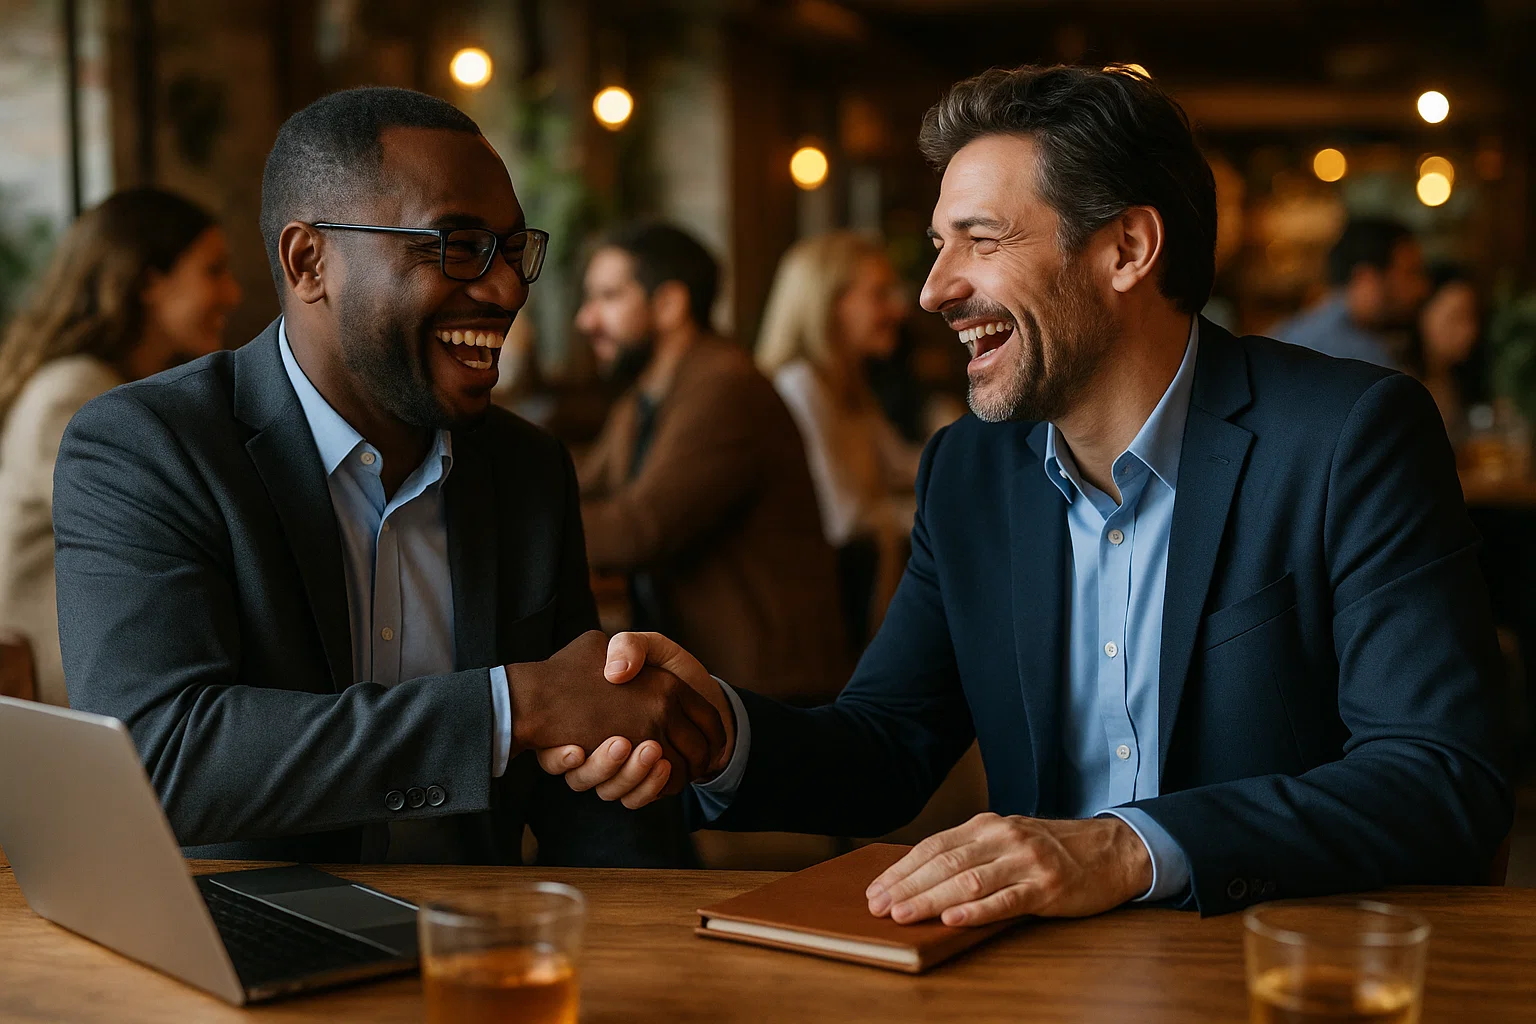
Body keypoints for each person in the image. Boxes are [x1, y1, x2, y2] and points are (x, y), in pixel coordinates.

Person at [551, 65, 1512, 921]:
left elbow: (1441, 779)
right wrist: (724, 734)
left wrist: (1123, 847)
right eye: (937, 245)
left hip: (1278, 969)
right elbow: (890, 744)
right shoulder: (968, 470)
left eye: (979, 239)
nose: (932, 291)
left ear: (1128, 248)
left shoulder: (1349, 434)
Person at [52, 87, 725, 866]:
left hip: (479, 949)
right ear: (310, 262)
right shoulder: (149, 446)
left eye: (512, 249)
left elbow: (586, 779)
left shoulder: (526, 469)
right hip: (244, 944)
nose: (508, 289)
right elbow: (158, 759)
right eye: (457, 246)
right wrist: (511, 706)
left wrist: (648, 930)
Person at [574, 223, 849, 704]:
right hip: (715, 676)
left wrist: (504, 527)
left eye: (609, 297)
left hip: (769, 690)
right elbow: (577, 483)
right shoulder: (647, 395)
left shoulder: (725, 386)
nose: (586, 319)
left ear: (669, 305)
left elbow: (640, 529)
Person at [0, 187, 242, 708]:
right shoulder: (70, 392)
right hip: (67, 713)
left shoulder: (121, 385)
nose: (232, 294)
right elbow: (162, 530)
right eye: (213, 271)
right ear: (151, 282)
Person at [756, 232, 922, 645]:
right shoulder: (798, 386)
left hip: (856, 588)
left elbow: (904, 465)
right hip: (819, 614)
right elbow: (844, 517)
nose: (899, 309)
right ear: (828, 303)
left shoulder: (845, 384)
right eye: (879, 294)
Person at [1272, 217, 1429, 369]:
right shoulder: (1340, 353)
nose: (1422, 288)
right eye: (1411, 273)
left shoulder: (1305, 331)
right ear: (1365, 279)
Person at [1412, 263, 1485, 439]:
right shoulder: (1402, 378)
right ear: (1423, 314)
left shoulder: (1454, 377)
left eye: (1472, 317)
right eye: (1456, 317)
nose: (1470, 331)